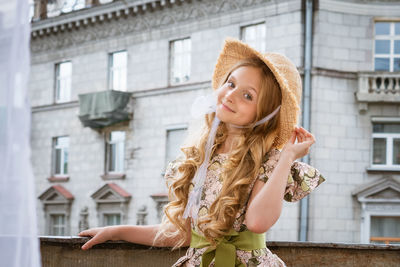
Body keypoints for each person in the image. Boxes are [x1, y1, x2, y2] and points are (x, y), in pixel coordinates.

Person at [79, 37, 326, 267]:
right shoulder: (200, 157)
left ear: (265, 114)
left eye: (248, 95)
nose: (230, 95)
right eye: (231, 83)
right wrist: (117, 231)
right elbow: (182, 234)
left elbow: (258, 222)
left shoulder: (269, 161)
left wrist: (286, 158)